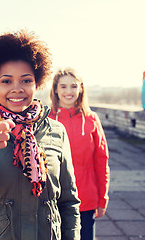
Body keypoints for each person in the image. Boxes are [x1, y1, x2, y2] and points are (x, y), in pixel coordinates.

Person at [0, 30, 81, 239]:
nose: (17, 89)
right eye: (6, 81)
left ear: (37, 83)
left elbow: (68, 202)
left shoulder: (56, 131)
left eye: (26, 81)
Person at [48, 67, 110, 240]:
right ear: (55, 89)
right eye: (63, 86)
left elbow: (101, 160)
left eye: (74, 86)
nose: (69, 91)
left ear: (81, 88)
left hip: (86, 199)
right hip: (54, 200)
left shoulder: (91, 119)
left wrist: (102, 198)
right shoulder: (46, 120)